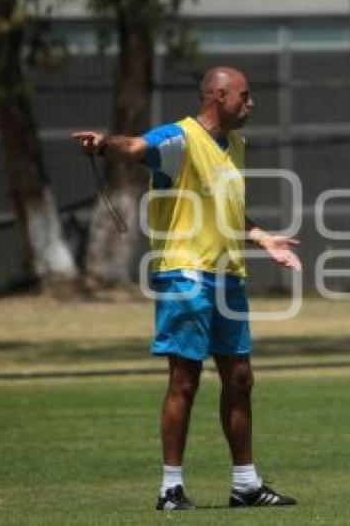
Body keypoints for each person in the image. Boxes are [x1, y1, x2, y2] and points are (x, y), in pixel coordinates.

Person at [72, 66, 301, 510]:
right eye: (244, 95)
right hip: (185, 273)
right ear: (217, 95)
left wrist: (263, 238)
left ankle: (245, 485)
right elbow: (137, 146)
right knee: (185, 380)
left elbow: (232, 212)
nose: (251, 103)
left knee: (240, 378)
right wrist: (104, 144)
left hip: (228, 274)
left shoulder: (236, 144)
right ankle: (171, 488)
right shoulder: (179, 138)